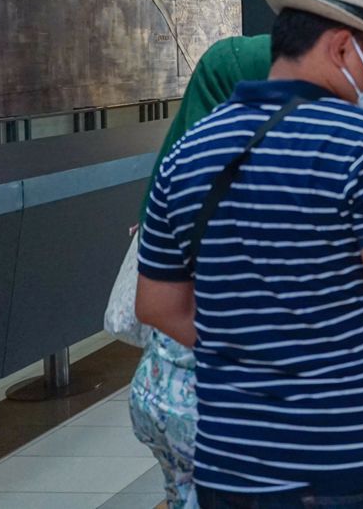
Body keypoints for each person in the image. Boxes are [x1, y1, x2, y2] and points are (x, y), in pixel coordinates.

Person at [135, 0, 363, 507]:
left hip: (234, 463)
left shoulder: (191, 150)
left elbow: (156, 304)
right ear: (342, 48)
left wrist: (263, 353)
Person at [128, 33, 271, 509]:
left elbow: (153, 305)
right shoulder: (259, 181)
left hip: (161, 388)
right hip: (222, 403)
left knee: (184, 492)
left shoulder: (179, 168)